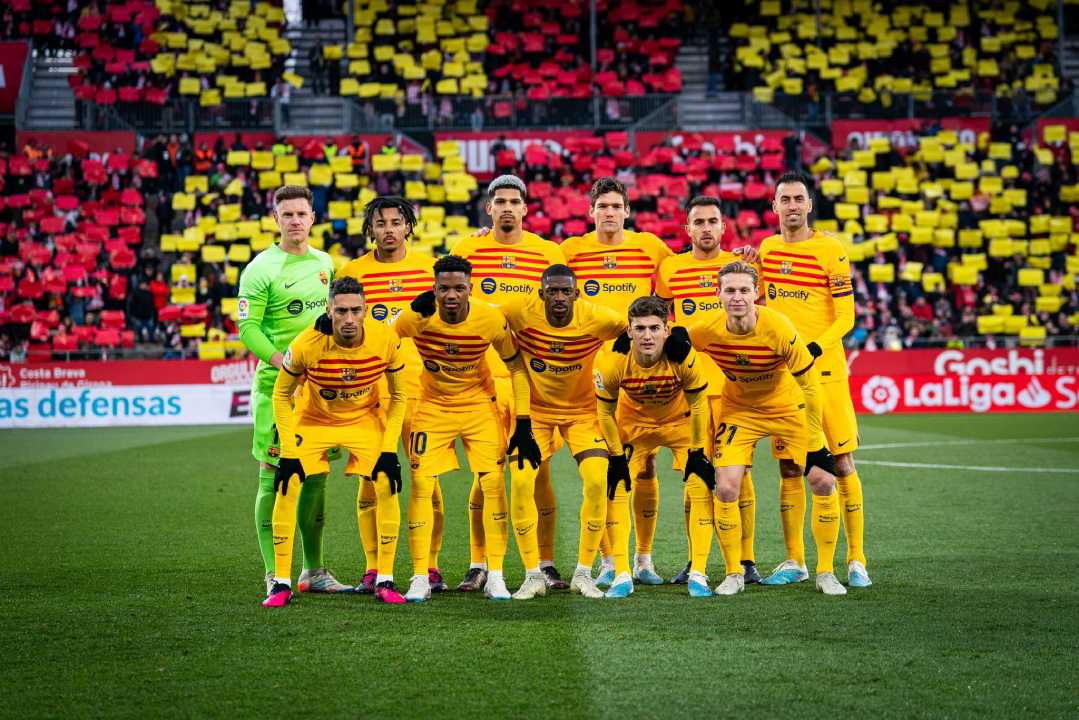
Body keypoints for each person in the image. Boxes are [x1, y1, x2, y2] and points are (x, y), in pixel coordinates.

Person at [687, 261, 846, 596]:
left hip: (788, 408)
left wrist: (815, 440)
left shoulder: (778, 326)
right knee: (726, 488)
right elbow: (673, 339)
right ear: (717, 294)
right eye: (730, 290)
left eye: (744, 290)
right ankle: (733, 573)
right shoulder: (706, 329)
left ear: (756, 293)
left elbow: (811, 385)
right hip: (740, 411)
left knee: (823, 479)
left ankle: (825, 572)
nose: (737, 297)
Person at [393, 255, 541, 602]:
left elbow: (516, 367)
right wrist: (407, 316)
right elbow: (382, 340)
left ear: (470, 288)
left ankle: (496, 576)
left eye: (459, 288)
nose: (451, 295)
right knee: (421, 486)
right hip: (432, 407)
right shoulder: (417, 317)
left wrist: (522, 421)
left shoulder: (489, 318)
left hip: (479, 407)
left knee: (493, 485)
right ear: (434, 288)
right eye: (444, 288)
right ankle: (419, 576)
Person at [451, 175, 568, 591]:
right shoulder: (468, 249)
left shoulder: (547, 252)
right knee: (485, 475)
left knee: (540, 473)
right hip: (480, 380)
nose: (506, 208)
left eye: (513, 202)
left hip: (530, 380)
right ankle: (478, 563)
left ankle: (546, 562)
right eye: (499, 201)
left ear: (525, 208)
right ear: (489, 208)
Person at [263, 277, 408, 607]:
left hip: (363, 419)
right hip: (314, 419)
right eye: (341, 311)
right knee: (287, 482)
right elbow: (281, 395)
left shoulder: (385, 339)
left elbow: (399, 396)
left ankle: (385, 579)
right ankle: (281, 583)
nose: (349, 319)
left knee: (387, 481)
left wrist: (389, 450)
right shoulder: (306, 343)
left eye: (356, 311)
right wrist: (288, 452)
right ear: (329, 310)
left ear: (366, 310)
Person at [559, 177, 673, 587]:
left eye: (615, 206)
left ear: (627, 211)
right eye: (602, 206)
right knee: (608, 464)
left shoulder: (650, 247)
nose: (609, 212)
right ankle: (610, 559)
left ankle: (643, 558)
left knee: (646, 464)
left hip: (641, 370)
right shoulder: (570, 250)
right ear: (591, 211)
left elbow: (684, 274)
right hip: (591, 373)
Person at [757, 172, 869, 588]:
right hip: (784, 377)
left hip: (825, 372)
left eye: (798, 198)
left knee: (841, 462)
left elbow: (846, 316)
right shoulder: (768, 249)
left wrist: (815, 348)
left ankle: (856, 559)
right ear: (774, 206)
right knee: (790, 466)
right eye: (784, 199)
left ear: (809, 205)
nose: (791, 205)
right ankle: (795, 560)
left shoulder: (831, 249)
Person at [338, 196, 449, 594]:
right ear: (370, 229)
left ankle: (430, 566)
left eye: (396, 222)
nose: (388, 229)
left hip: (421, 390)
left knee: (426, 480)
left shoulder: (429, 270)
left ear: (408, 227)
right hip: (369, 393)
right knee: (370, 483)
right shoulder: (352, 272)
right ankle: (373, 567)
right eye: (380, 223)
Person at [499, 264, 627, 599]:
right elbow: (482, 317)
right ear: (541, 294)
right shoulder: (518, 312)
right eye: (552, 291)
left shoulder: (598, 318)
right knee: (522, 483)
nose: (558, 297)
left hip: (584, 414)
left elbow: (639, 328)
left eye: (565, 291)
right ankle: (532, 574)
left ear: (576, 294)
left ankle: (584, 573)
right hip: (535, 414)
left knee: (598, 481)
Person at [237, 185, 341, 596]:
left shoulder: (325, 263)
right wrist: (285, 363)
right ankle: (273, 571)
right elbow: (248, 328)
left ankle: (313, 571)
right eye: (288, 214)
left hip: (320, 394)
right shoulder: (260, 269)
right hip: (276, 392)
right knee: (273, 479)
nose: (295, 220)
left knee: (315, 478)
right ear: (276, 219)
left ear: (313, 217)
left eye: (302, 213)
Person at [655, 196, 762, 585]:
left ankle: (746, 561)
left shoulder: (741, 266)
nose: (705, 228)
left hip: (734, 389)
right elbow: (662, 319)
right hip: (691, 391)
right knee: (694, 476)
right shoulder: (671, 268)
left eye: (712, 221)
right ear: (687, 228)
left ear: (723, 227)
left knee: (740, 476)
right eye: (698, 222)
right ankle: (694, 558)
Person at [594, 296, 714, 597]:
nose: (647, 336)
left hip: (678, 423)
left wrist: (698, 452)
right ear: (629, 331)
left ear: (666, 329)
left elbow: (699, 405)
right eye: (640, 328)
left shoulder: (683, 357)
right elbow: (605, 413)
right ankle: (625, 571)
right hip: (634, 424)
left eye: (654, 328)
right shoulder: (613, 362)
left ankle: (698, 571)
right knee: (616, 486)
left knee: (700, 484)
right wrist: (616, 456)